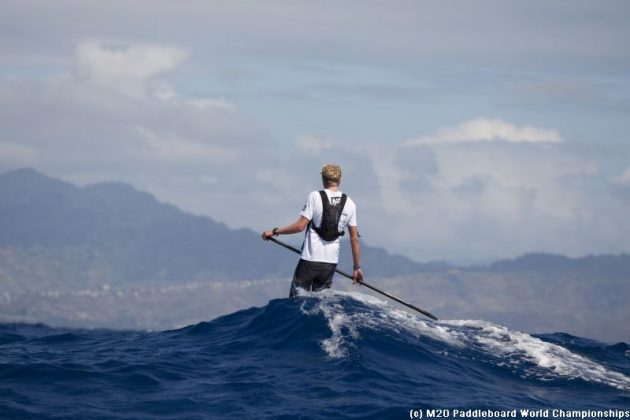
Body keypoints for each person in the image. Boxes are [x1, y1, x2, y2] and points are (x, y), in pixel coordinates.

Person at [262, 164, 363, 297]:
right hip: (330, 264)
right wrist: (357, 268)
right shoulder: (351, 204)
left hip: (310, 260)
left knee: (296, 303)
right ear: (340, 179)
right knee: (319, 306)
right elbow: (354, 239)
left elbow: (300, 226)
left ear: (323, 178)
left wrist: (275, 231)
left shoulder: (315, 196)